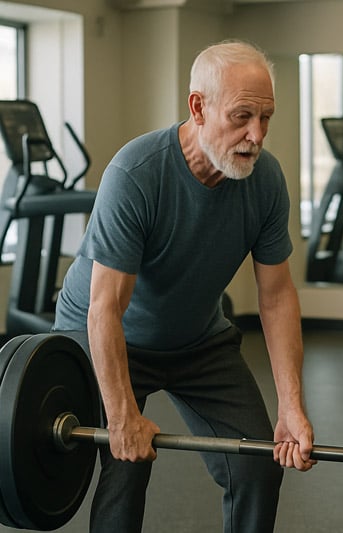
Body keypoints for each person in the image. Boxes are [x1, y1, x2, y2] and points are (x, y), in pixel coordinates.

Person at [53, 40, 315, 533]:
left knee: (257, 464)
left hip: (197, 338)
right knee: (126, 465)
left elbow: (277, 296)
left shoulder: (265, 181)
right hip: (112, 335)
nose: (256, 135)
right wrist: (122, 418)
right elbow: (104, 309)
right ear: (199, 107)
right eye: (241, 117)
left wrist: (291, 406)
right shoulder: (136, 174)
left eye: (266, 118)